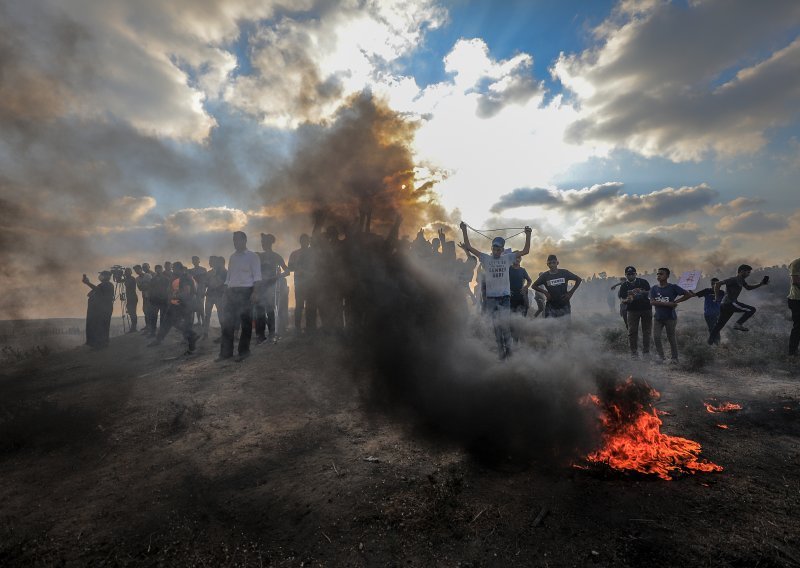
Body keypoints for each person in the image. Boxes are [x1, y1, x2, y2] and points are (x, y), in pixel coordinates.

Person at [459, 222, 532, 358]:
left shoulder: (507, 258)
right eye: (495, 248)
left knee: (504, 326)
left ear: (502, 249)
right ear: (491, 248)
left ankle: (509, 354)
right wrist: (464, 230)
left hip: (505, 299)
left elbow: (526, 250)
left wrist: (528, 234)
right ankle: (501, 353)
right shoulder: (485, 258)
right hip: (491, 299)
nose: (497, 251)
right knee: (496, 328)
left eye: (499, 249)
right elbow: (469, 247)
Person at [219, 231, 261, 361]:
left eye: (237, 240)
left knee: (246, 323)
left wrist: (255, 292)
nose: (235, 243)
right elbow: (228, 277)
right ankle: (226, 353)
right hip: (232, 292)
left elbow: (257, 277)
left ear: (244, 240)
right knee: (227, 323)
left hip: (246, 291)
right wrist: (225, 293)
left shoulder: (252, 256)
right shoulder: (232, 257)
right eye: (233, 240)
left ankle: (244, 352)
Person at [708, 264, 769, 345]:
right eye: (748, 272)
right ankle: (738, 324)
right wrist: (716, 297)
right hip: (730, 303)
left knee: (719, 325)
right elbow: (717, 284)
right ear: (742, 271)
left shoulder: (742, 280)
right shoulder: (733, 279)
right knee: (752, 309)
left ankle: (709, 343)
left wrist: (761, 284)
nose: (748, 274)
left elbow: (748, 288)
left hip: (726, 305)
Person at [149, 262, 198, 354]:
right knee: (167, 321)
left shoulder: (186, 278)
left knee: (176, 323)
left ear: (180, 269)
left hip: (184, 305)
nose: (173, 270)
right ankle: (159, 339)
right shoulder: (177, 278)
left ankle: (192, 340)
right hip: (176, 304)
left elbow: (186, 293)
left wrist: (174, 297)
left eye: (174, 269)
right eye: (173, 269)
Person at [649, 267, 693, 364]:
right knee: (656, 337)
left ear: (667, 276)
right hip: (658, 317)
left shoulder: (673, 287)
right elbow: (652, 302)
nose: (659, 276)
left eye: (661, 274)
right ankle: (661, 357)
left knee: (671, 337)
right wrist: (668, 304)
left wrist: (676, 301)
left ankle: (674, 358)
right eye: (658, 274)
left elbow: (688, 295)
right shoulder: (654, 288)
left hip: (670, 317)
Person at [255, 233, 289, 344]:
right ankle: (260, 335)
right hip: (260, 286)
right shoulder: (259, 256)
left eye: (263, 242)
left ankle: (271, 333)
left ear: (269, 243)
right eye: (262, 242)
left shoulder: (276, 256)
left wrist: (278, 276)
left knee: (270, 310)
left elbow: (287, 271)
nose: (262, 244)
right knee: (259, 311)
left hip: (271, 287)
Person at [618, 266, 651, 360]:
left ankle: (646, 352)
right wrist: (627, 300)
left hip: (646, 309)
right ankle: (634, 353)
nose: (630, 275)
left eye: (632, 273)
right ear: (626, 275)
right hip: (632, 310)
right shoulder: (624, 286)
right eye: (628, 274)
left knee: (647, 331)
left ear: (636, 274)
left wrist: (641, 292)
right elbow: (622, 298)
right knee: (632, 332)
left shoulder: (643, 282)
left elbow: (650, 292)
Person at [288, 234, 315, 333]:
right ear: (300, 241)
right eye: (303, 240)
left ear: (309, 241)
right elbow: (290, 267)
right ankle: (297, 327)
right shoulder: (295, 253)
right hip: (299, 283)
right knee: (299, 305)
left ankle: (310, 327)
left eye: (306, 240)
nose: (305, 242)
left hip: (311, 283)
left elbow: (317, 266)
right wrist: (297, 267)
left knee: (310, 305)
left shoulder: (313, 253)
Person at [82, 271, 115, 349]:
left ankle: (102, 344)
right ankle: (98, 344)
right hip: (100, 310)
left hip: (104, 310)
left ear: (106, 276)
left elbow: (98, 291)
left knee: (102, 327)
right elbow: (93, 293)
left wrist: (88, 283)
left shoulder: (108, 285)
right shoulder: (102, 285)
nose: (100, 276)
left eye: (101, 275)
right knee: (98, 327)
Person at [203, 256, 227, 340]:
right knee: (207, 315)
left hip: (218, 296)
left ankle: (224, 333)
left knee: (221, 314)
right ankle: (205, 334)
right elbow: (205, 284)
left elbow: (224, 285)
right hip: (210, 296)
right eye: (209, 261)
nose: (209, 263)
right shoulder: (209, 273)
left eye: (211, 261)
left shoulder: (223, 272)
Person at [149, 265, 170, 338]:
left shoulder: (166, 279)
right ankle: (152, 333)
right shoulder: (152, 280)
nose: (158, 271)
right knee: (153, 317)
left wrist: (168, 300)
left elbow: (169, 290)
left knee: (163, 317)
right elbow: (150, 290)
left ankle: (161, 334)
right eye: (156, 269)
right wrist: (151, 299)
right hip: (155, 301)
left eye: (159, 269)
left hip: (163, 300)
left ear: (162, 270)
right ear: (155, 270)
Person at [133, 264, 153, 335]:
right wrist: (145, 285)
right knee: (145, 310)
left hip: (151, 295)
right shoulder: (137, 279)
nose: (137, 271)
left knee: (151, 311)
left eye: (138, 270)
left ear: (141, 269)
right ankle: (148, 326)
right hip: (144, 296)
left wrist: (144, 286)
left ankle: (151, 327)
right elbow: (140, 288)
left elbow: (151, 285)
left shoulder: (148, 275)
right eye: (135, 270)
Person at [188, 256, 208, 326]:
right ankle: (199, 321)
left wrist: (205, 290)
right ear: (192, 262)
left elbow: (206, 281)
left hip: (201, 290)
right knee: (196, 306)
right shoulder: (190, 270)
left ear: (199, 261)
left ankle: (203, 321)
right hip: (194, 290)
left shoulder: (203, 269)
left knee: (201, 306)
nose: (195, 261)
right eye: (193, 260)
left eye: (196, 260)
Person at [788, 257, 800, 356]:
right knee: (798, 327)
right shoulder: (796, 263)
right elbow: (795, 281)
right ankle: (792, 353)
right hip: (797, 300)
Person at [122, 267, 138, 332]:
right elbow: (120, 281)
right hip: (129, 298)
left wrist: (124, 278)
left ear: (131, 272)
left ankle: (134, 328)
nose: (126, 273)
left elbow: (127, 285)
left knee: (133, 312)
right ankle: (133, 327)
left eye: (128, 272)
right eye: (126, 272)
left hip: (133, 298)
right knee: (131, 313)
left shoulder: (132, 279)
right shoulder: (128, 279)